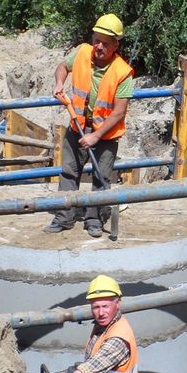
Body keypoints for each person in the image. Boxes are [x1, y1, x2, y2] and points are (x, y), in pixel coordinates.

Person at [46, 13, 134, 237]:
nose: (99, 46)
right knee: (69, 172)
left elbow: (119, 111)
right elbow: (62, 67)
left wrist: (96, 136)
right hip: (77, 126)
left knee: (101, 178)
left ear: (116, 45)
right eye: (97, 40)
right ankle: (63, 217)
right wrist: (59, 82)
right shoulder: (82, 53)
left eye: (105, 43)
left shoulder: (123, 73)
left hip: (105, 135)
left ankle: (94, 219)